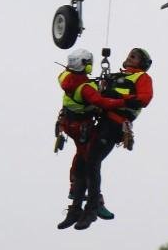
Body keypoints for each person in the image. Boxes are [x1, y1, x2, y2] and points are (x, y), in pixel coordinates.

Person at [55, 48, 141, 231]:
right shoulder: (86, 88)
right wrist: (123, 101)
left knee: (83, 164)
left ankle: (78, 207)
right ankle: (91, 206)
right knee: (89, 165)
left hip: (70, 126)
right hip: (81, 128)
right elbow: (102, 102)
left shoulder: (64, 77)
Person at [75, 48, 154, 230]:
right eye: (129, 54)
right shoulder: (114, 76)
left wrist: (120, 98)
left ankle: (92, 208)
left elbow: (145, 98)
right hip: (102, 122)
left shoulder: (142, 78)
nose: (128, 57)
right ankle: (77, 207)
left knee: (92, 161)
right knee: (83, 161)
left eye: (133, 57)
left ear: (142, 63)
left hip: (115, 125)